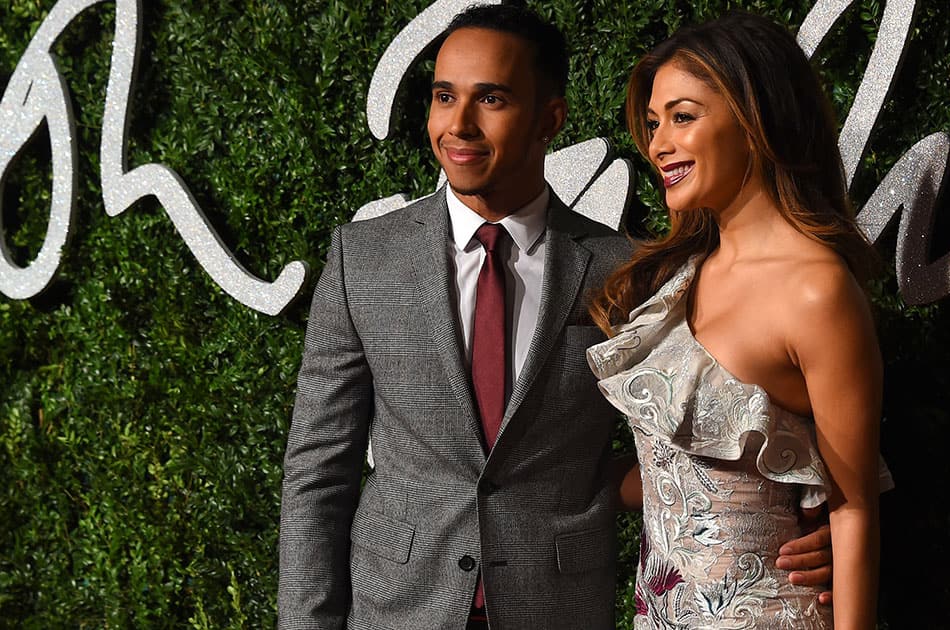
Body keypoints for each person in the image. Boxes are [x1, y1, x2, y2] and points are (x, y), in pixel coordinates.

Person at [279, 5, 834, 629]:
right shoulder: (364, 258)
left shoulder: (625, 269)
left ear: (551, 117)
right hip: (396, 607)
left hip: (559, 609)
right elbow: (316, 473)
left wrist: (800, 518)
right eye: (443, 97)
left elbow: (702, 434)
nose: (458, 124)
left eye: (490, 98)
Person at [588, 11, 885, 629]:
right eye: (653, 123)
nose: (659, 143)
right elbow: (664, 477)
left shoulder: (816, 292)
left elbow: (853, 511)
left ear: (755, 121)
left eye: (683, 116)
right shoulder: (672, 282)